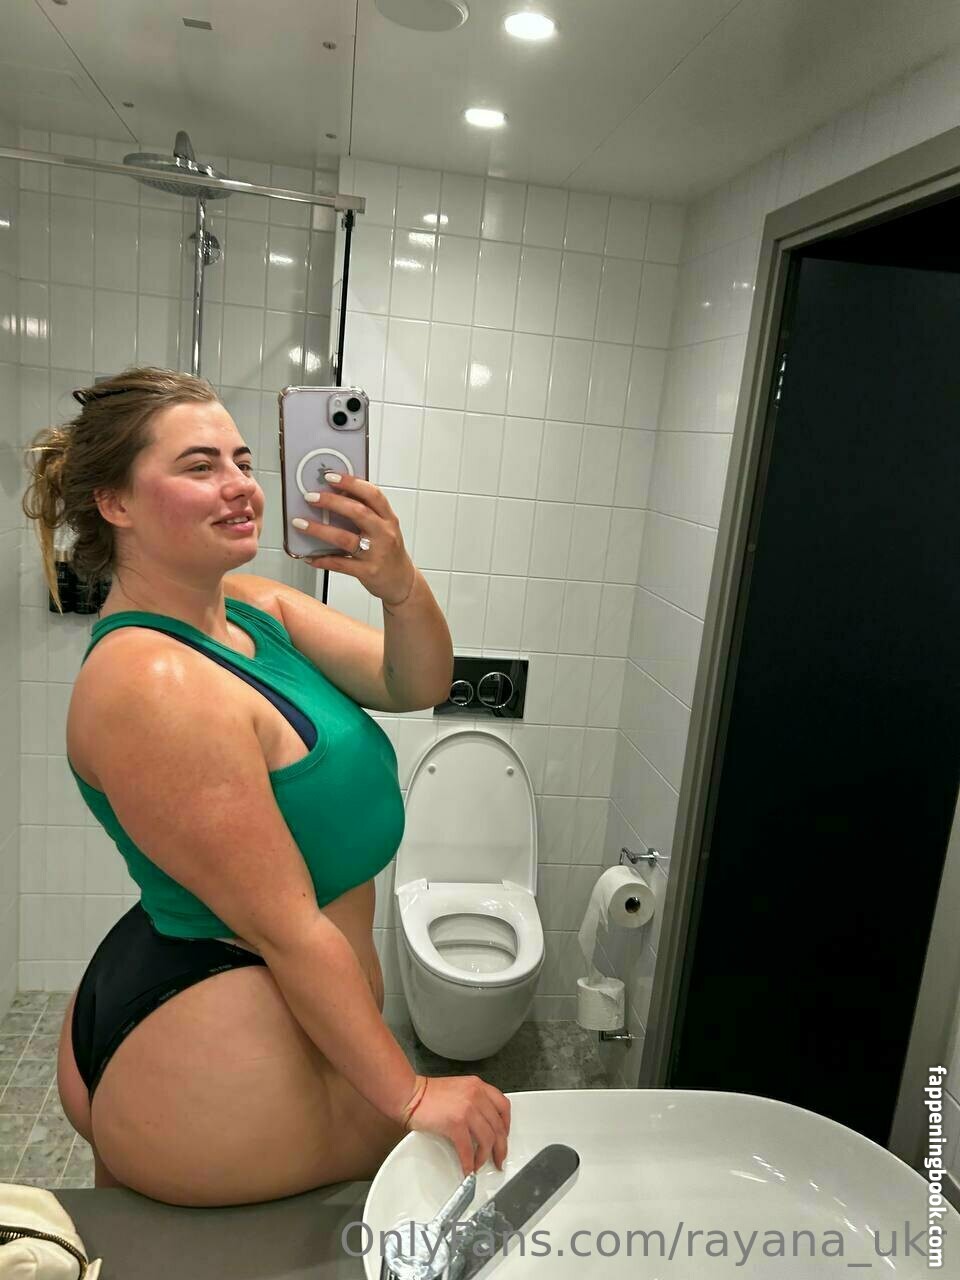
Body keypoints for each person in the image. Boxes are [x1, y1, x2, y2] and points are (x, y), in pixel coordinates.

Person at [20, 366, 510, 1207]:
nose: (241, 485)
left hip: (204, 983)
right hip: (218, 1032)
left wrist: (398, 584)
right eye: (199, 465)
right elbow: (288, 926)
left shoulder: (250, 608)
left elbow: (415, 681)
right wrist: (412, 1094)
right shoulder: (153, 682)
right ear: (115, 503)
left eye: (243, 461)